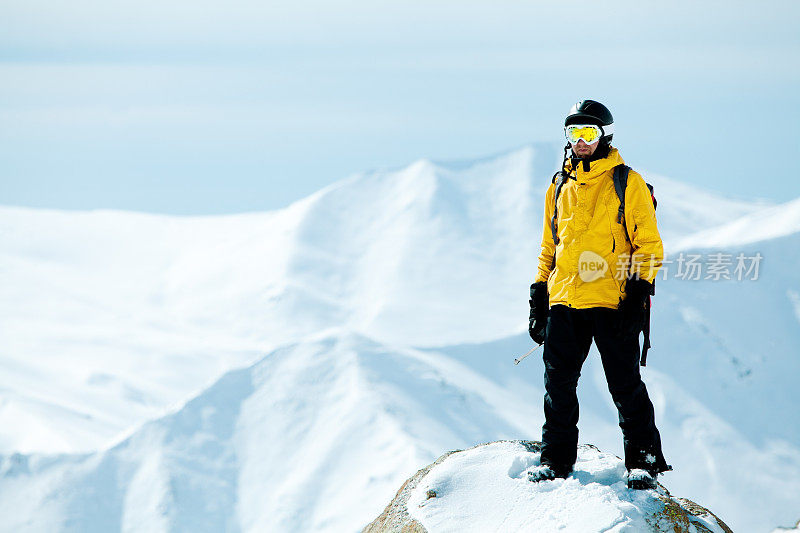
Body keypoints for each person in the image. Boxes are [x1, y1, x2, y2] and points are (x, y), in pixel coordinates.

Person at [527, 100, 670, 490]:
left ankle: (643, 462)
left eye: (588, 134)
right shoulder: (558, 186)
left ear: (604, 135)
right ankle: (555, 460)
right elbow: (549, 247)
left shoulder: (628, 182)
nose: (581, 142)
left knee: (624, 386)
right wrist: (539, 294)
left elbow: (649, 245)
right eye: (574, 134)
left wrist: (639, 291)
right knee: (557, 386)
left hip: (613, 302)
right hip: (565, 301)